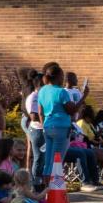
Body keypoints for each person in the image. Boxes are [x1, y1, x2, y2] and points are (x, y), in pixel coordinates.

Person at [34, 63, 76, 191]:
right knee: (57, 160)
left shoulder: (42, 90)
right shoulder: (61, 92)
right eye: (62, 76)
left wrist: (44, 126)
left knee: (49, 160)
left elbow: (40, 112)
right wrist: (84, 96)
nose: (63, 79)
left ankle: (46, 188)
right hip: (61, 128)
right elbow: (71, 110)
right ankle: (55, 190)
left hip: (47, 126)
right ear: (58, 77)